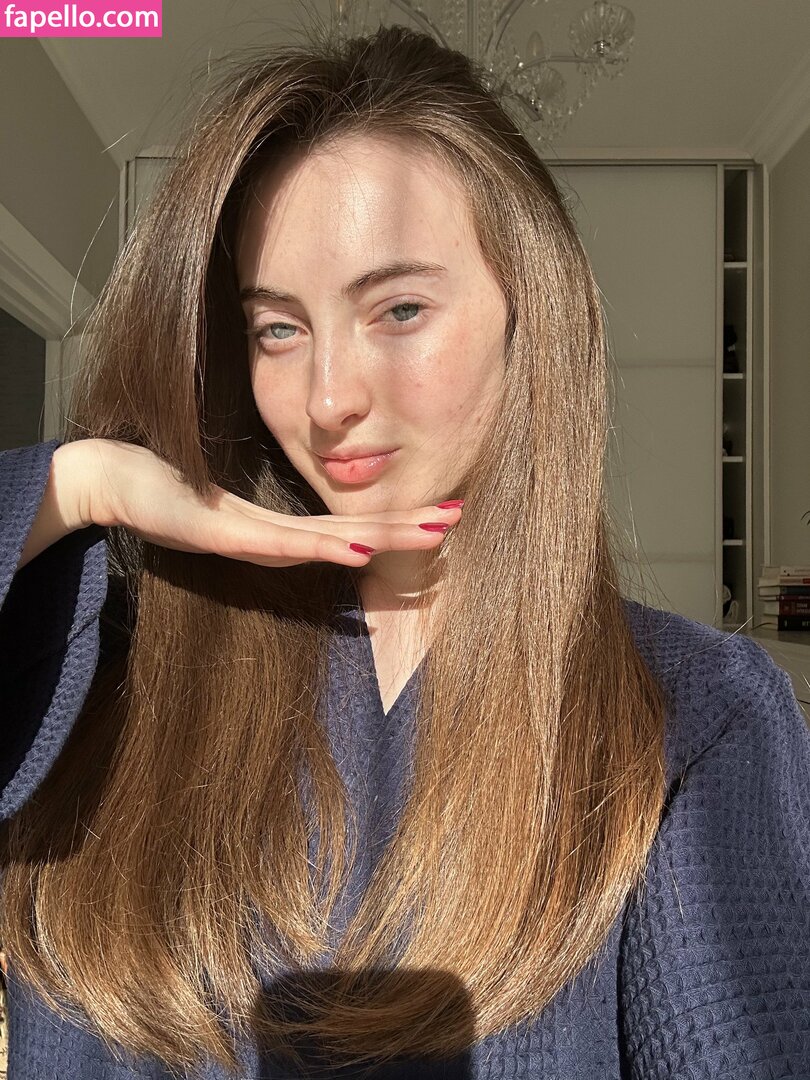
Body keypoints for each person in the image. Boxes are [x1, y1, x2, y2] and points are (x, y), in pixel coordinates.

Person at [1, 21, 808, 1080]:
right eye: (278, 329)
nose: (328, 398)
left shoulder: (689, 710)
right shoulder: (112, 668)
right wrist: (79, 483)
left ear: (527, 314)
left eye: (400, 309)